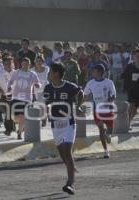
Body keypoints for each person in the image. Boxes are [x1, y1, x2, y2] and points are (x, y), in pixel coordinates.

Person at [43, 62, 83, 195]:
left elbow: (80, 91)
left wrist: (78, 105)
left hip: (68, 123)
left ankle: (70, 183)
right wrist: (45, 112)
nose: (48, 74)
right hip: (55, 124)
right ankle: (72, 168)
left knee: (67, 150)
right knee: (62, 154)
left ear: (56, 73)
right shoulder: (48, 88)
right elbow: (47, 103)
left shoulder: (69, 86)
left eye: (50, 72)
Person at [83, 64, 116, 158]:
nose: (92, 73)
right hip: (97, 110)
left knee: (110, 131)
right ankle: (106, 151)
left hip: (108, 110)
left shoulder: (109, 82)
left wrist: (108, 102)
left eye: (94, 71)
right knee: (101, 130)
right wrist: (80, 105)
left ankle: (108, 134)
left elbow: (113, 95)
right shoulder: (90, 83)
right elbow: (85, 95)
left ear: (100, 72)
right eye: (92, 71)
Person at [7, 57, 41, 139]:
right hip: (16, 97)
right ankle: (21, 126)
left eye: (27, 64)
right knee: (15, 118)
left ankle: (19, 132)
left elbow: (38, 84)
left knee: (23, 116)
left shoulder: (33, 74)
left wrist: (37, 85)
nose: (25, 65)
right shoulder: (16, 72)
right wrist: (9, 87)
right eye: (23, 64)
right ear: (21, 64)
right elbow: (11, 81)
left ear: (29, 65)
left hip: (27, 98)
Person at [122, 49, 139, 130]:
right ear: (133, 56)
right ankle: (128, 123)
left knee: (135, 108)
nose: (138, 57)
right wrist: (124, 87)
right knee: (131, 105)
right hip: (131, 89)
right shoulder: (130, 66)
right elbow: (125, 76)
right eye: (136, 56)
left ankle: (129, 121)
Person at [0, 56, 15, 135]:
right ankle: (9, 129)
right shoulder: (0, 72)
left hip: (14, 95)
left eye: (10, 63)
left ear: (12, 64)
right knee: (8, 112)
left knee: (11, 112)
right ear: (3, 64)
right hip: (3, 96)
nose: (8, 65)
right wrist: (0, 89)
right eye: (6, 64)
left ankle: (9, 128)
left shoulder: (15, 73)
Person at [31, 54, 50, 127]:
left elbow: (49, 78)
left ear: (43, 62)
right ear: (35, 62)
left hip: (45, 90)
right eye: (37, 61)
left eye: (40, 61)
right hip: (36, 90)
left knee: (44, 106)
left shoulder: (47, 69)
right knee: (41, 106)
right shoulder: (32, 70)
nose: (38, 62)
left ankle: (44, 118)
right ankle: (43, 118)